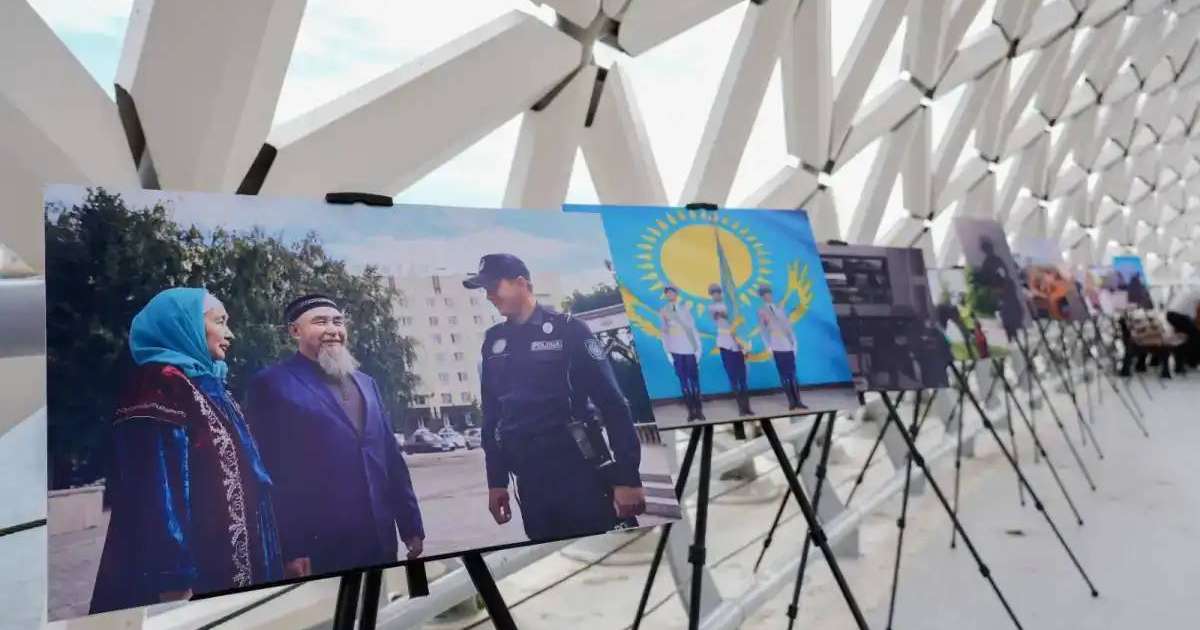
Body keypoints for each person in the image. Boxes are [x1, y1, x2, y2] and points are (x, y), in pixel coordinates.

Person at [91, 288, 282, 614]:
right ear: (185, 324)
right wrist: (173, 578)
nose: (229, 333)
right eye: (220, 322)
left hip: (241, 565)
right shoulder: (159, 384)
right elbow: (154, 492)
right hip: (191, 581)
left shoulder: (210, 385)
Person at [464, 254, 646, 540]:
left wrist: (627, 479)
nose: (488, 296)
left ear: (521, 283)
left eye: (493, 287)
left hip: (579, 472)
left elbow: (613, 404)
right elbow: (492, 417)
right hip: (530, 481)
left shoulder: (569, 330)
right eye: (484, 290)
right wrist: (496, 482)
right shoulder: (493, 343)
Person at [245, 294, 423, 578]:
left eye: (338, 321)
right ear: (295, 331)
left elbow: (390, 457)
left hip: (379, 536)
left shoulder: (367, 383)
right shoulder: (272, 384)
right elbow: (269, 472)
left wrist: (411, 524)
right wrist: (290, 547)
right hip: (320, 546)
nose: (333, 329)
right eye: (320, 321)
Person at [659, 284, 705, 421]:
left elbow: (693, 329)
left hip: (689, 349)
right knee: (683, 382)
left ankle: (699, 411)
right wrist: (667, 352)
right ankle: (691, 411)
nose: (670, 295)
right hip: (675, 350)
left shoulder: (685, 309)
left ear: (676, 294)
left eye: (672, 292)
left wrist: (698, 350)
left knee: (694, 381)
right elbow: (664, 333)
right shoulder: (663, 311)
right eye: (667, 293)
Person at [757, 285, 807, 410]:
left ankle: (798, 401)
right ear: (762, 297)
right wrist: (768, 346)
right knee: (784, 375)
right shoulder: (761, 311)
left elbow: (788, 327)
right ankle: (791, 401)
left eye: (769, 293)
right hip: (776, 345)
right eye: (765, 294)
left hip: (787, 344)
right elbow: (763, 331)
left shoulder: (780, 308)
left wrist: (794, 343)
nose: (768, 296)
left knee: (793, 374)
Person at [707, 283, 753, 416]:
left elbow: (742, 322)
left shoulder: (733, 306)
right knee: (733, 378)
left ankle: (747, 407)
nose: (716, 294)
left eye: (718, 292)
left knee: (743, 378)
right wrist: (728, 314)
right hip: (725, 344)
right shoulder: (712, 307)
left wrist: (745, 346)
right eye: (713, 292)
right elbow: (717, 316)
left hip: (738, 344)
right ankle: (741, 408)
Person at [975, 237, 1024, 340]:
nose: (990, 249)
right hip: (1003, 293)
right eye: (988, 248)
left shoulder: (995, 260)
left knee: (1012, 310)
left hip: (1007, 291)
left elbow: (1005, 273)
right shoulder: (988, 263)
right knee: (1008, 312)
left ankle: (1014, 330)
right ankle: (1011, 332)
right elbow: (988, 280)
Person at [1166, 286, 1200, 370]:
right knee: (1196, 336)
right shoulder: (1197, 293)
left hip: (1171, 314)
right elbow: (1197, 315)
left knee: (1182, 338)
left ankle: (1181, 364)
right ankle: (1191, 361)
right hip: (1178, 315)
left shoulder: (1192, 290)